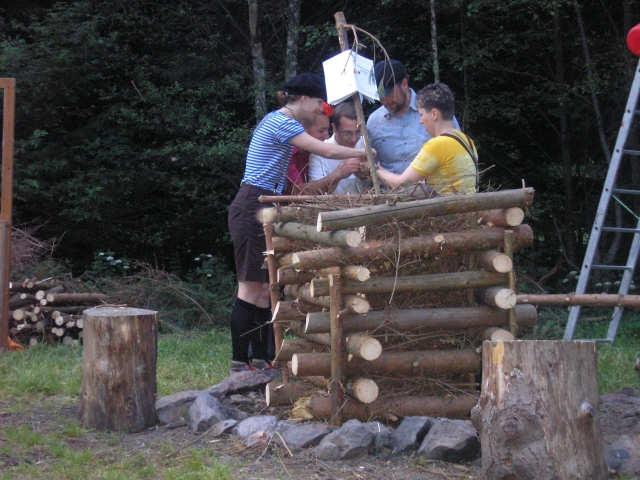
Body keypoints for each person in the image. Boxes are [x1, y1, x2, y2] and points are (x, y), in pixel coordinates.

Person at [227, 73, 372, 374]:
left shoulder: (282, 121)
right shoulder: (282, 121)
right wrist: (363, 151)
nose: (320, 109)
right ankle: (239, 364)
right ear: (303, 98)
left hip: (265, 203)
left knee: (264, 288)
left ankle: (260, 360)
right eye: (319, 103)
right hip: (253, 203)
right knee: (249, 288)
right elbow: (326, 150)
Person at [376, 83, 477, 195]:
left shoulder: (437, 145)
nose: (420, 121)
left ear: (434, 114)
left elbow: (402, 184)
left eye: (421, 114)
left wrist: (376, 171)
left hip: (448, 206)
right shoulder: (467, 141)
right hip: (469, 205)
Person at [367, 59, 460, 175]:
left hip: (434, 186)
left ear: (404, 84)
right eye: (379, 96)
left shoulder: (435, 112)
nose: (384, 101)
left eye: (388, 94)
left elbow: (456, 153)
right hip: (388, 187)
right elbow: (372, 165)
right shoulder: (374, 121)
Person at [308, 102, 367, 194]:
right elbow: (315, 192)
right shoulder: (319, 153)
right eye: (347, 133)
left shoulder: (364, 143)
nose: (354, 138)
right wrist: (339, 173)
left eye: (357, 132)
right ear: (334, 128)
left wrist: (365, 175)